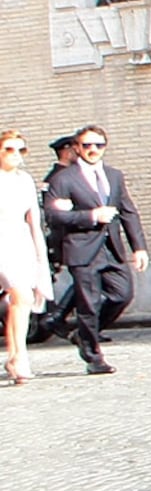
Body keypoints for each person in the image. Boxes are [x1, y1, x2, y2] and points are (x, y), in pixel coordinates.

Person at [46, 126, 149, 372]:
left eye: (99, 145)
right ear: (77, 148)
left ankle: (84, 334)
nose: (93, 150)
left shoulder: (114, 175)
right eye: (88, 145)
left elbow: (128, 211)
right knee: (88, 304)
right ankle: (94, 358)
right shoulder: (63, 178)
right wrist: (91, 216)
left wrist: (139, 247)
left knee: (122, 294)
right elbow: (53, 216)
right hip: (81, 248)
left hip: (111, 248)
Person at [0, 128, 48, 388]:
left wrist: (40, 257)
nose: (15, 155)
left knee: (21, 299)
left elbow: (34, 222)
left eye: (20, 149)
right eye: (8, 149)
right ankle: (18, 357)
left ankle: (17, 357)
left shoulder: (25, 181)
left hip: (20, 242)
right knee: (19, 297)